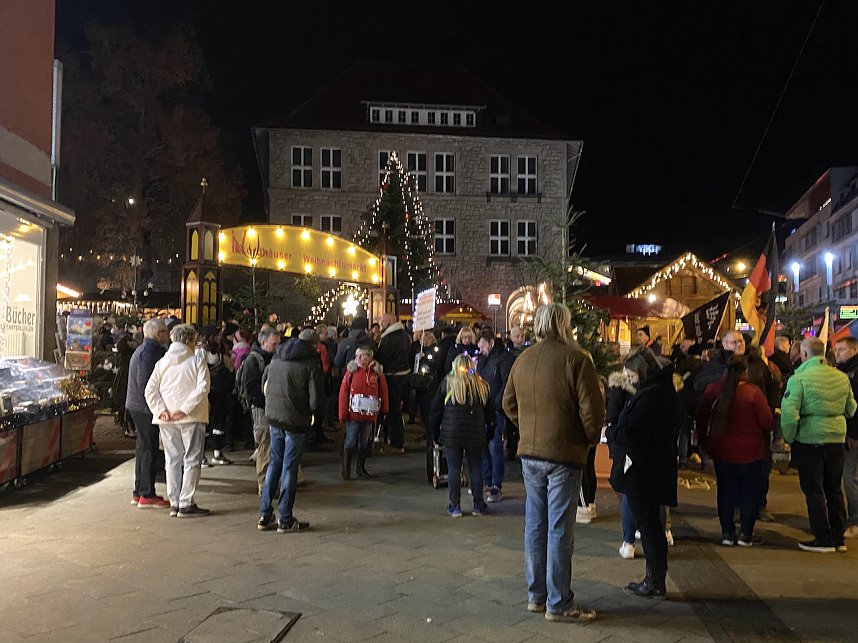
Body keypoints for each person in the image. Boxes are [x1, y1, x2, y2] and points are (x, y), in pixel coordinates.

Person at [503, 303, 604, 623]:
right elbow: (592, 411)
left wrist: (528, 428)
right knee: (560, 527)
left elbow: (507, 402)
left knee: (535, 523)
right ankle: (558, 602)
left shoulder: (523, 359)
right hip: (564, 453)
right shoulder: (576, 359)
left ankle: (537, 595)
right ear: (565, 324)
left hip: (531, 453)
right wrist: (588, 440)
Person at [607, 348, 681, 598]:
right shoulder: (659, 390)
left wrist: (612, 433)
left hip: (645, 470)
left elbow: (632, 430)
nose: (629, 380)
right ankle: (654, 577)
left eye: (631, 374)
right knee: (651, 527)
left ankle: (655, 580)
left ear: (641, 370)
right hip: (653, 467)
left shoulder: (652, 395)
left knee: (649, 527)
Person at [782, 338, 856, 553]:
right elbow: (851, 409)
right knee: (833, 489)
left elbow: (789, 414)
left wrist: (790, 437)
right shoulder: (841, 377)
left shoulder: (799, 379)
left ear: (804, 355)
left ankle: (822, 538)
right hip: (836, 440)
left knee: (814, 490)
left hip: (809, 440)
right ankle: (838, 537)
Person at [697, 356, 772, 546]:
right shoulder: (753, 392)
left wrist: (704, 443)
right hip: (751, 451)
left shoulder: (714, 390)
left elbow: (701, 418)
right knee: (749, 492)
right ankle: (746, 534)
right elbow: (767, 421)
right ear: (745, 371)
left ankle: (727, 533)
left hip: (722, 450)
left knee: (725, 491)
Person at [258, 329, 324, 533]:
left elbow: (265, 385)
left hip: (274, 418)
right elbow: (316, 399)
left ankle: (265, 514)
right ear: (314, 345)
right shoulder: (311, 362)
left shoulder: (277, 356)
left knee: (274, 463)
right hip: (296, 420)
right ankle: (285, 518)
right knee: (289, 467)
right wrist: (312, 412)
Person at [144, 324, 211, 517]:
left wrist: (161, 410)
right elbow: (203, 387)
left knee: (172, 458)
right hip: (192, 416)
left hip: (166, 419)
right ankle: (186, 501)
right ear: (190, 340)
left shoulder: (162, 363)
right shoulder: (197, 361)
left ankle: (174, 501)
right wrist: (185, 409)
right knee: (192, 458)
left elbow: (150, 390)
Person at [430, 353, 494, 517]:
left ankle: (455, 505)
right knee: (475, 467)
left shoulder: (447, 384)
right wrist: (490, 432)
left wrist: (434, 432)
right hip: (475, 433)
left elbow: (436, 411)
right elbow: (490, 413)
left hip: (452, 434)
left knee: (453, 468)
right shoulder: (481, 385)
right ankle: (478, 505)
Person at [125, 318, 169, 507]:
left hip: (137, 405)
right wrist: (156, 405)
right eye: (166, 332)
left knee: (143, 448)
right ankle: (146, 493)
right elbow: (146, 383)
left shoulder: (145, 349)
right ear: (158, 334)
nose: (168, 336)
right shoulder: (150, 352)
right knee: (149, 448)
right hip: (144, 407)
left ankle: (139, 491)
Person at [236, 324, 280, 493]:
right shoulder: (253, 360)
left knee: (272, 446)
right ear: (263, 342)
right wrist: (265, 399)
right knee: (264, 447)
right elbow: (250, 387)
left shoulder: (273, 357)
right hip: (261, 409)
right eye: (274, 343)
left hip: (274, 408)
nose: (277, 347)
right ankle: (264, 485)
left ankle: (272, 482)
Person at [477, 328, 514, 504]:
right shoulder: (486, 359)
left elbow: (507, 383)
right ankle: (487, 479)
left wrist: (498, 402)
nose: (481, 350)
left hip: (495, 409)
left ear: (491, 343)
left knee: (495, 447)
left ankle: (496, 485)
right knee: (483, 446)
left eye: (483, 346)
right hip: (483, 408)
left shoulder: (504, 358)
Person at [339, 346, 388, 479]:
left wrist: (384, 409)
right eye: (358, 356)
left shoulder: (377, 373)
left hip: (369, 415)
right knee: (350, 441)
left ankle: (360, 468)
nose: (360, 358)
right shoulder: (351, 372)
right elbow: (343, 393)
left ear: (370, 357)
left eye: (363, 355)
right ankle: (346, 469)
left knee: (364, 443)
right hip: (353, 415)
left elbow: (383, 392)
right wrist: (342, 414)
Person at [604, 368, 638, 559]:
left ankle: (629, 541)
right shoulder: (653, 389)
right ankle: (660, 532)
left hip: (627, 446)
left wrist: (611, 435)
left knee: (628, 491)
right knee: (651, 493)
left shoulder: (620, 390)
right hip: (650, 448)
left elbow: (612, 416)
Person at [374, 313, 411, 454]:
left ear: (391, 321)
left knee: (393, 410)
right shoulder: (401, 335)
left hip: (394, 377)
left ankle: (396, 443)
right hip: (400, 376)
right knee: (394, 411)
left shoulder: (392, 337)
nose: (381, 323)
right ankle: (393, 440)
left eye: (383, 321)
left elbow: (383, 356)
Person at [834, 337, 858, 539]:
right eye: (836, 349)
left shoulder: (854, 372)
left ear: (853, 350)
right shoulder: (843, 370)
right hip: (847, 432)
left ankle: (855, 520)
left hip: (853, 435)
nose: (837, 353)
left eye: (841, 349)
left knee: (850, 477)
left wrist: (853, 433)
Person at [202, 327, 236, 466]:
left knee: (219, 423)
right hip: (206, 393)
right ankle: (201, 456)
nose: (219, 338)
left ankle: (217, 452)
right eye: (216, 336)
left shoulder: (223, 351)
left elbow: (230, 369)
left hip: (220, 392)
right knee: (205, 424)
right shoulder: (202, 351)